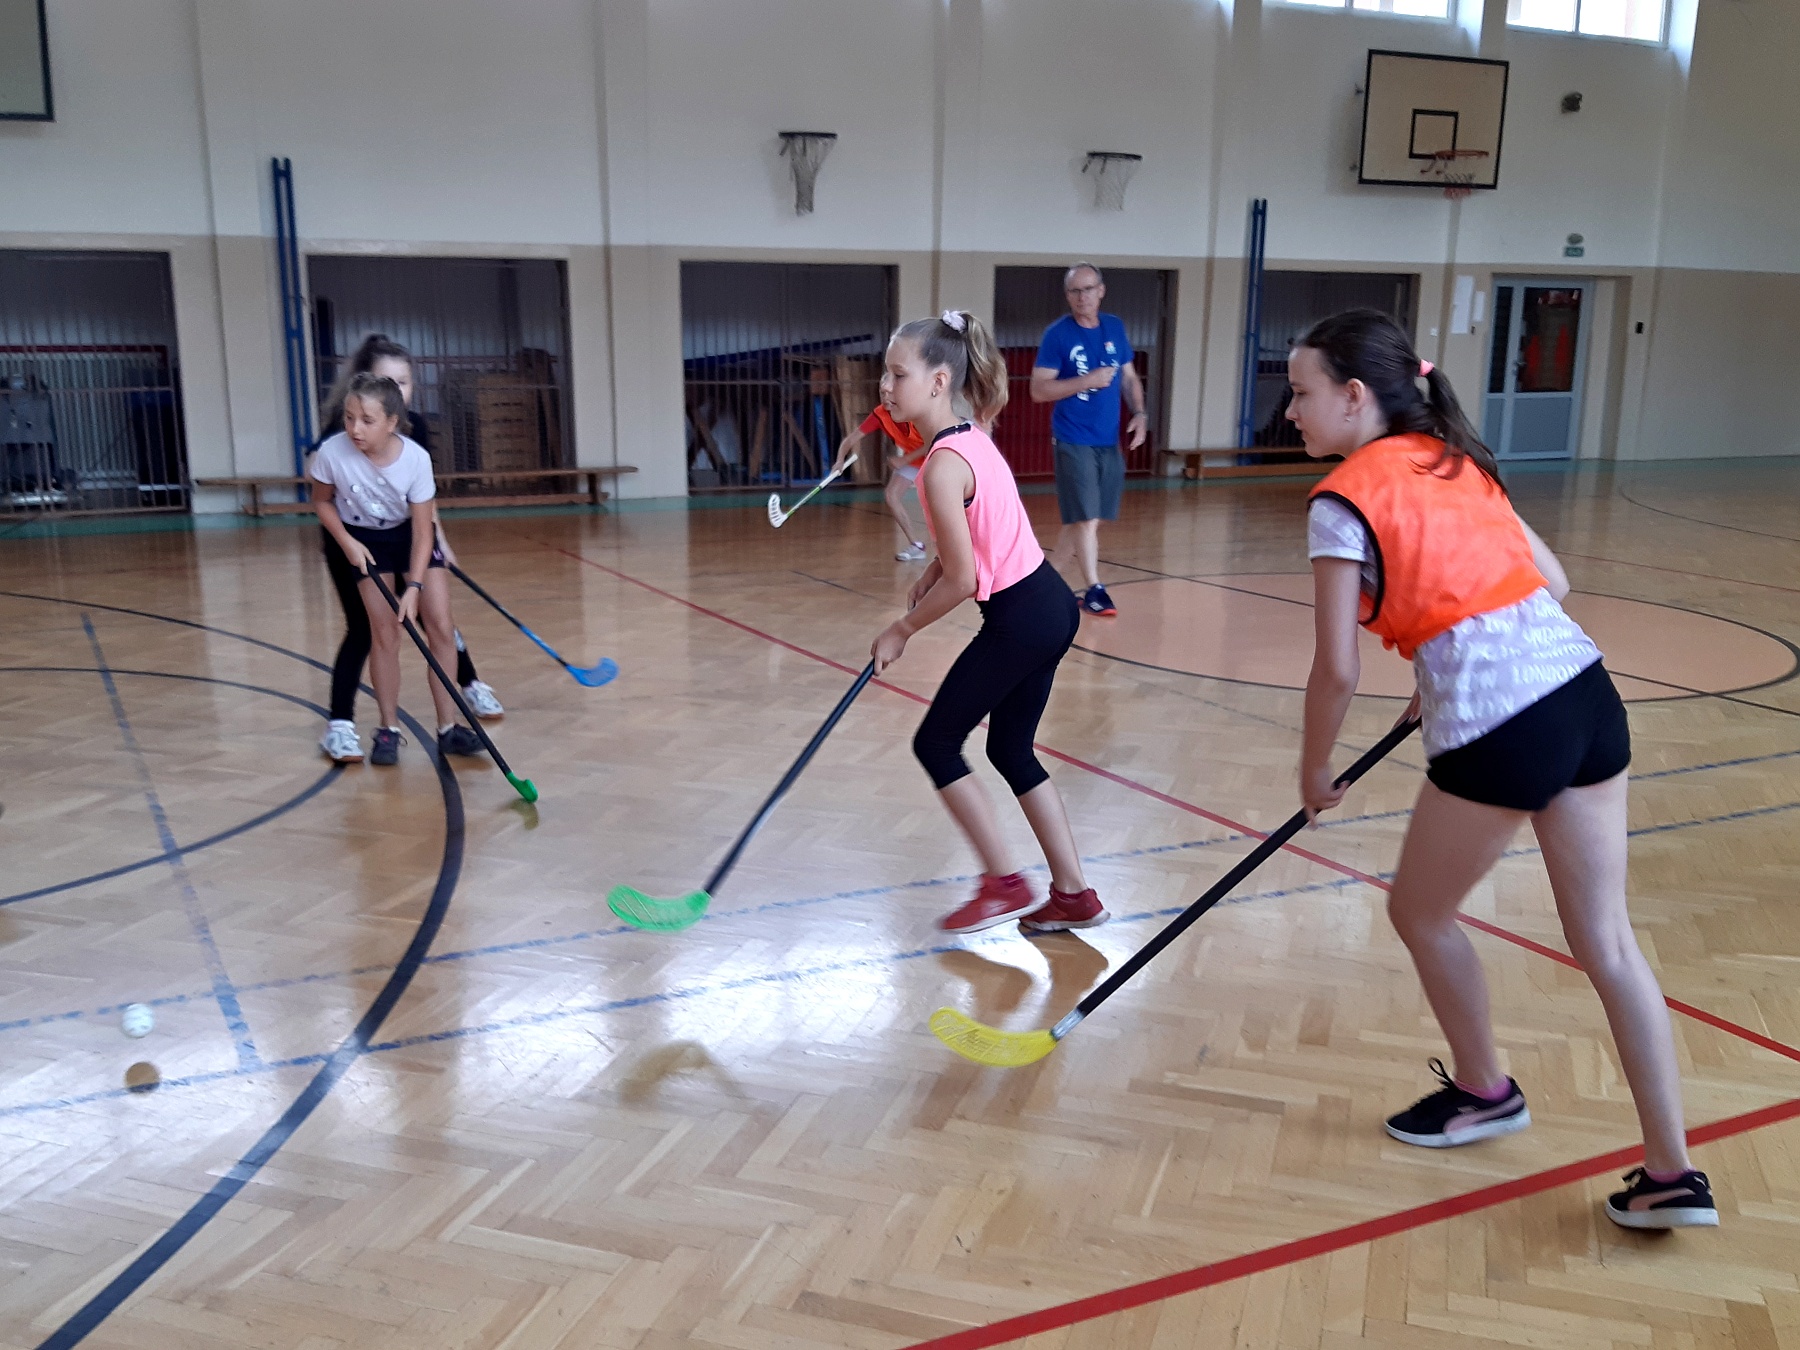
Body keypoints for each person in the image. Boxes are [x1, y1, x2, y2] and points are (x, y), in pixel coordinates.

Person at [1288, 308, 1714, 1230]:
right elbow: (1548, 584)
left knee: (1419, 912)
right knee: (1608, 943)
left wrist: (1315, 769)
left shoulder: (1341, 500)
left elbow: (1336, 669)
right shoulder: (1456, 460)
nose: (1290, 411)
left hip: (1504, 725)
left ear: (1353, 397)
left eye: (1301, 392)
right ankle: (1672, 1173)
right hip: (1586, 696)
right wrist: (1442, 661)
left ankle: (1486, 1090)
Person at [870, 309, 1108, 936]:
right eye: (885, 374)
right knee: (1009, 748)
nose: (886, 387)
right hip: (1050, 607)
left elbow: (965, 580)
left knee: (936, 743)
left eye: (897, 374)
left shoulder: (941, 466)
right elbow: (979, 537)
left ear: (939, 381)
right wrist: (933, 571)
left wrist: (902, 629)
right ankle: (1073, 894)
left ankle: (1004, 882)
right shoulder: (969, 437)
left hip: (1020, 620)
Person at [314, 335, 503, 764]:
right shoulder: (334, 449)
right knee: (381, 632)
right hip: (363, 539)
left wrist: (415, 584)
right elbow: (322, 501)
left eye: (367, 421)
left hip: (409, 536)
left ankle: (449, 726)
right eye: (350, 418)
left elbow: (422, 525)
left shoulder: (415, 455)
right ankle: (384, 730)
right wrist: (348, 544)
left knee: (441, 626)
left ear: (393, 420)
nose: (355, 428)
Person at [1029, 262, 1147, 617]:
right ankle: (1095, 589)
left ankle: (1041, 585)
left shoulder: (1115, 327)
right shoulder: (1057, 335)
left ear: (1101, 290)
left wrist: (1140, 413)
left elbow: (1129, 377)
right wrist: (1087, 380)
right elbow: (1038, 390)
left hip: (1107, 440)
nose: (1083, 297)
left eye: (1089, 289)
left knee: (1086, 520)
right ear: (1068, 296)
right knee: (1086, 518)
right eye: (1075, 291)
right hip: (1072, 437)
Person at [834, 402, 931, 561]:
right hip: (913, 460)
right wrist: (839, 460)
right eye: (882, 393)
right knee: (891, 495)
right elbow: (851, 439)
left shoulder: (912, 408)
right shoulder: (879, 415)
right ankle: (917, 545)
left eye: (888, 392)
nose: (886, 396)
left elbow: (932, 442)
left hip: (935, 457)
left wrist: (904, 459)